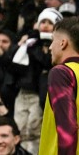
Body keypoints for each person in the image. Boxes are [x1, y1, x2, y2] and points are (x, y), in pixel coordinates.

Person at [40, 16, 79, 154]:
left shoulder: (62, 73)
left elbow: (67, 128)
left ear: (63, 43)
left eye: (52, 41)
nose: (50, 47)